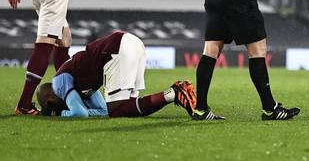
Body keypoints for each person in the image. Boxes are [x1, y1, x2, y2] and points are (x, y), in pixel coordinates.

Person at [35, 31, 197, 117]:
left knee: (116, 110)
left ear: (50, 98)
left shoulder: (59, 83)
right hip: (132, 43)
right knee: (128, 109)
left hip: (116, 49)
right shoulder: (79, 83)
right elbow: (103, 111)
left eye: (49, 107)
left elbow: (80, 113)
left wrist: (60, 114)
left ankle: (174, 93)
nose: (52, 108)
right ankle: (174, 94)